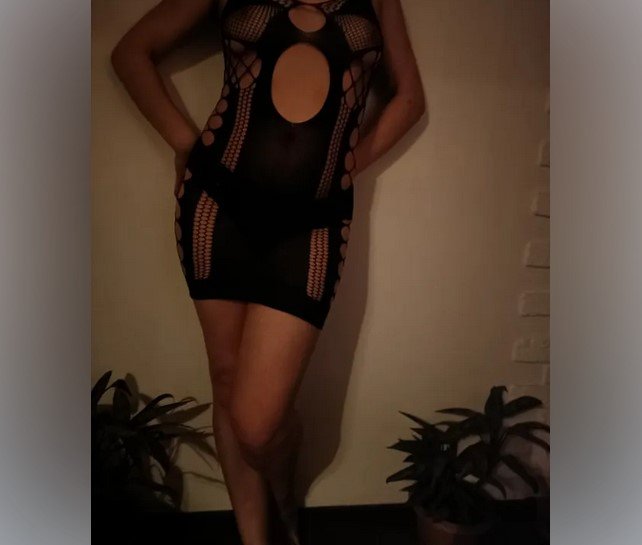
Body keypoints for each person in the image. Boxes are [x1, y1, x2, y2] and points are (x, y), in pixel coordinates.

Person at [111, 0, 425, 543]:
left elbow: (409, 97)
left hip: (314, 223)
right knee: (226, 379)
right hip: (216, 207)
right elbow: (131, 52)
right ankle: (255, 538)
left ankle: (283, 495)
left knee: (259, 421)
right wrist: (185, 144)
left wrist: (350, 164)